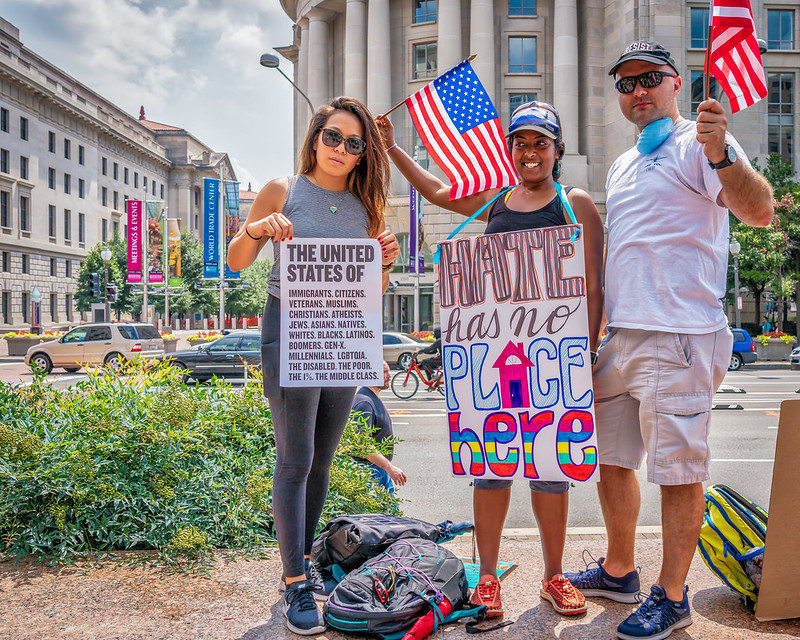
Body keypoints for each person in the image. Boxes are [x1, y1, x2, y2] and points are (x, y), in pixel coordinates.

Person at [564, 41, 773, 640]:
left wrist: (723, 153)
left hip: (679, 333)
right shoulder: (622, 164)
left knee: (679, 472)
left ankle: (674, 596)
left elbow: (759, 211)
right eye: (626, 83)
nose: (638, 91)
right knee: (611, 458)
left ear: (675, 83)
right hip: (624, 337)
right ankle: (620, 568)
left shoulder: (701, 143)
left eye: (650, 79)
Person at [377, 101, 604, 617]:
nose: (529, 152)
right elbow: (436, 191)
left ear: (556, 150)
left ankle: (553, 575)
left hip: (554, 360)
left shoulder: (575, 204)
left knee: (552, 467)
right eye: (520, 142)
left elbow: (594, 289)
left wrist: (585, 353)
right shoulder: (496, 200)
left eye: (539, 143)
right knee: (492, 467)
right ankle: (487, 579)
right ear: (509, 148)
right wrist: (392, 147)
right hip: (495, 359)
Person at [227, 96, 400, 636]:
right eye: (333, 137)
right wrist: (257, 230)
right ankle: (294, 581)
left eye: (354, 142)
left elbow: (375, 291)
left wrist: (385, 263)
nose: (342, 149)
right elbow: (236, 260)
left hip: (344, 331)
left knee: (323, 457)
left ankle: (305, 563)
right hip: (291, 327)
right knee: (295, 457)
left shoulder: (366, 207)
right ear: (315, 137)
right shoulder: (285, 190)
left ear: (363, 152)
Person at [351, 360, 407, 493]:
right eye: (384, 372)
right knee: (381, 514)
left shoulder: (370, 398)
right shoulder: (365, 403)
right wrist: (389, 467)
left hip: (377, 471)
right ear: (371, 374)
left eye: (388, 371)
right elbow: (361, 445)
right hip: (370, 473)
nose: (389, 375)